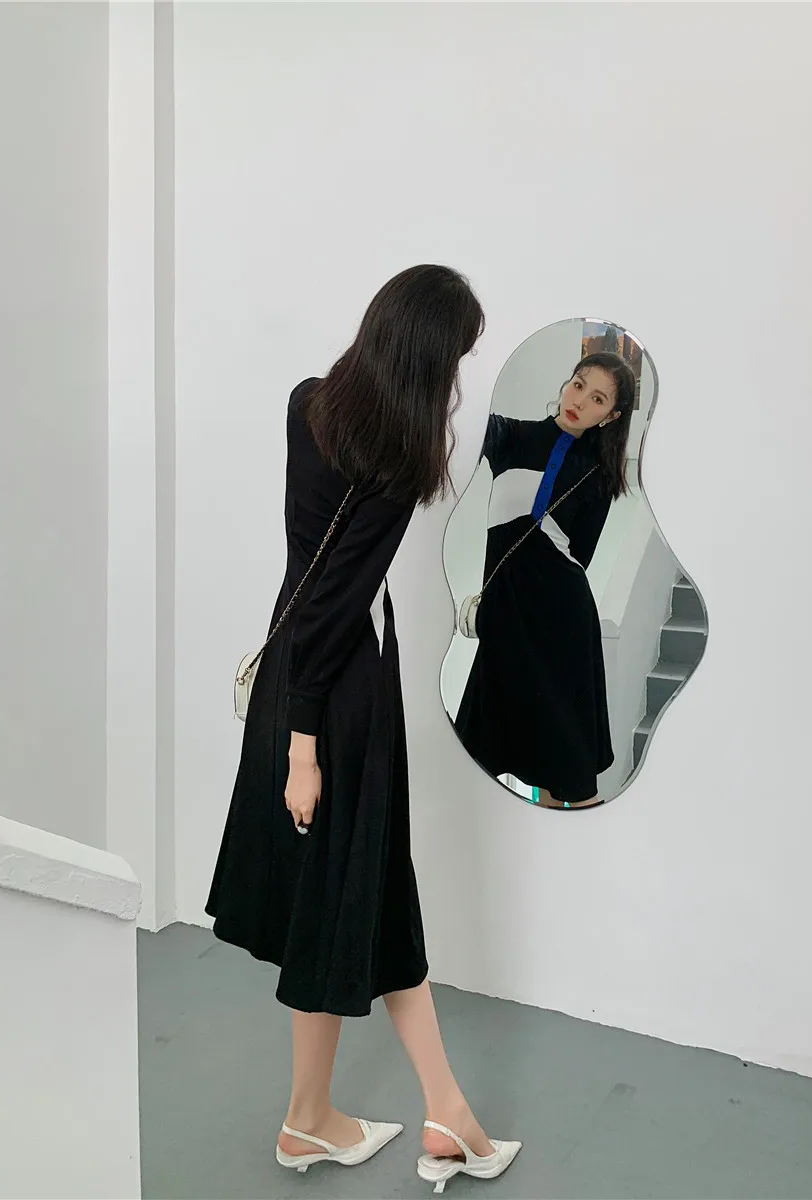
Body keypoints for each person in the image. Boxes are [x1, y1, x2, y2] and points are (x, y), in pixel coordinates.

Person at [206, 265, 521, 1192]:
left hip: (290, 671)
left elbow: (307, 569)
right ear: (428, 358)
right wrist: (305, 749)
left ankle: (378, 1116)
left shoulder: (306, 403)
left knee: (353, 893)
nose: (457, 379)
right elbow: (337, 602)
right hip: (335, 698)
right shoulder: (397, 462)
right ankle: (378, 1118)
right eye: (456, 358)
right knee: (356, 890)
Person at [455, 351, 636, 809]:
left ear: (610, 417)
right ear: (566, 384)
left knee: (563, 763)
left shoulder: (598, 473)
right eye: (579, 384)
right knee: (475, 753)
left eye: (597, 399)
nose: (580, 400)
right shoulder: (510, 436)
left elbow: (579, 557)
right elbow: (455, 415)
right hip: (506, 615)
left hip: (561, 622)